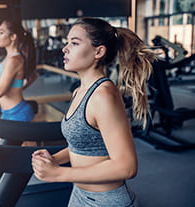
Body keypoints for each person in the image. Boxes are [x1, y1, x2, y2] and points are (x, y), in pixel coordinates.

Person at [32, 17, 156, 207]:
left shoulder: (103, 96)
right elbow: (84, 146)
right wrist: (55, 159)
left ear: (98, 51)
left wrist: (60, 174)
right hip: (79, 194)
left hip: (106, 201)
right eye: (67, 42)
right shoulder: (79, 91)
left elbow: (127, 166)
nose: (65, 48)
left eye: (74, 43)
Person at [0, 19, 37, 123]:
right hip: (5, 113)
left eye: (1, 32)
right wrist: (16, 88)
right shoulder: (7, 58)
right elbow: (34, 76)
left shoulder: (14, 60)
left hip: (19, 114)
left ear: (13, 37)